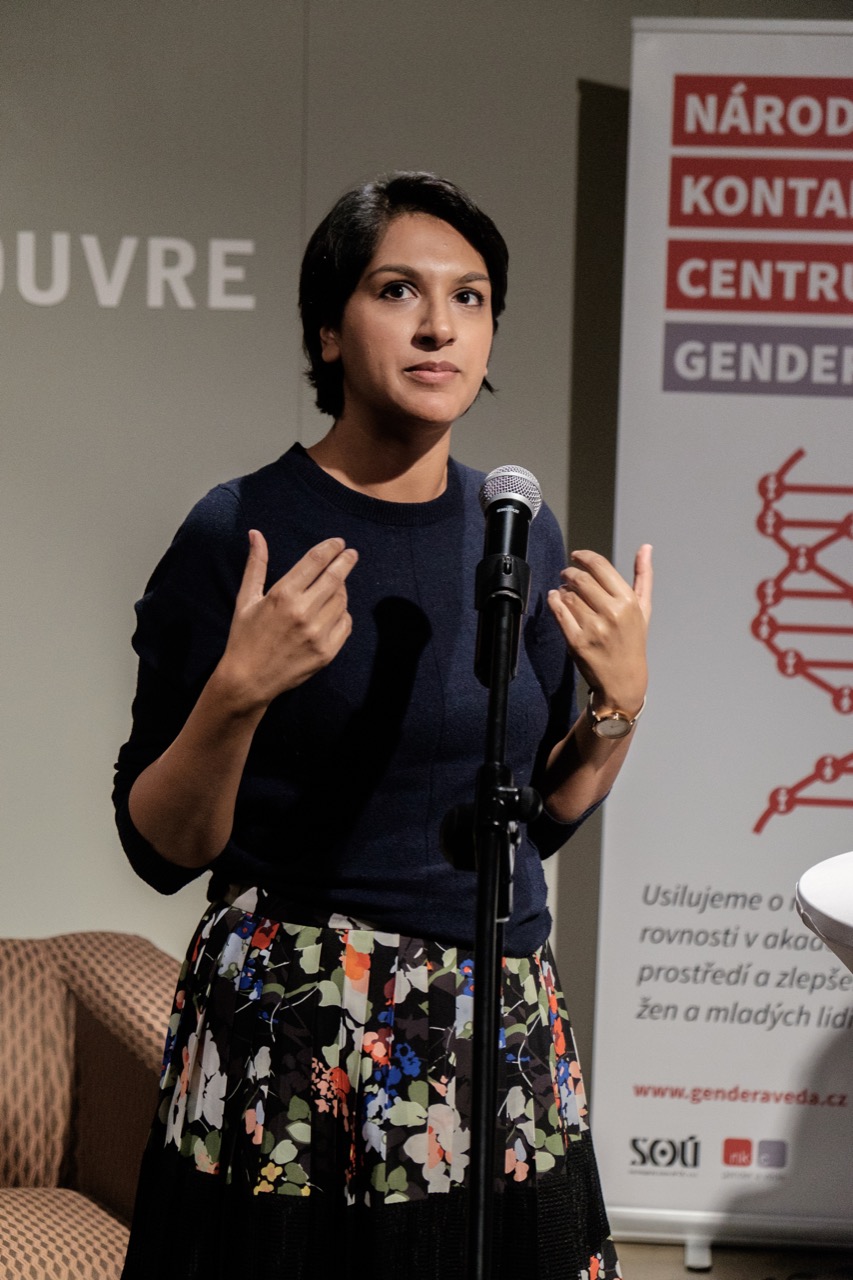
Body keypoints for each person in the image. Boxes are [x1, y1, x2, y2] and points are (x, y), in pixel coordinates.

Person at [114, 171, 651, 1279]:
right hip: (294, 1025)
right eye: (398, 289)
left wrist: (618, 706)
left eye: (470, 296)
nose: (438, 324)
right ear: (327, 329)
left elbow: (538, 816)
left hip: (491, 1015)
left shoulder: (516, 528)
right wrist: (237, 691)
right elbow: (160, 847)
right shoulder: (241, 528)